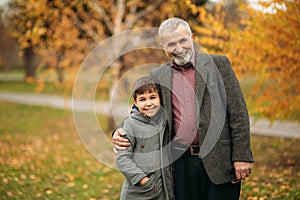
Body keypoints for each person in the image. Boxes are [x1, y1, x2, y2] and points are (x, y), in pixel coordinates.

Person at [113, 17, 254, 200]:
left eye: (183, 40)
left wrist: (242, 156)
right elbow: (141, 108)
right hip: (180, 164)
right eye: (171, 44)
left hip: (221, 159)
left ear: (192, 37)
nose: (179, 48)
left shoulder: (219, 65)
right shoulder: (158, 75)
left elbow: (239, 113)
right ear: (164, 47)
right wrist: (120, 130)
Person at [115, 76, 174, 200]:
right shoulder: (131, 125)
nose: (148, 103)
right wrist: (143, 180)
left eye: (153, 97)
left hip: (164, 192)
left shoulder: (165, 121)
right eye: (142, 99)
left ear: (160, 99)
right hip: (139, 192)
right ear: (135, 102)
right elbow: (122, 158)